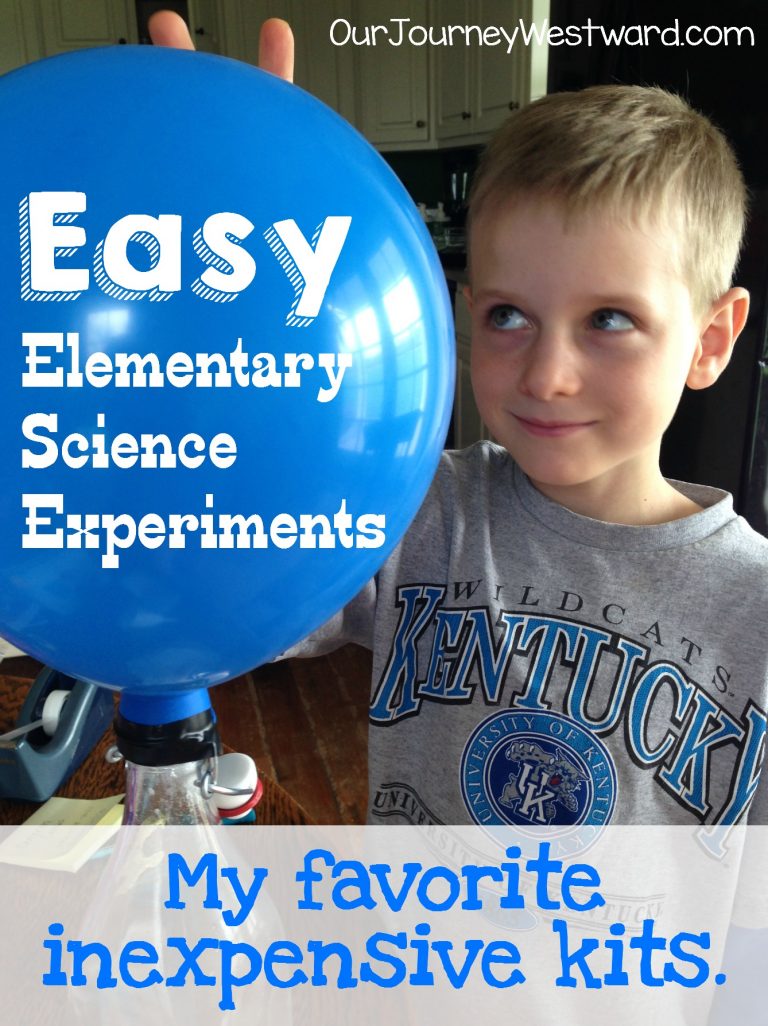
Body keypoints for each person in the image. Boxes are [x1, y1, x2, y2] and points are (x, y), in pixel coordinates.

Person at [151, 12, 768, 834]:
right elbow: (242, 591)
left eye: (610, 320)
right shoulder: (419, 510)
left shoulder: (752, 607)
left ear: (710, 340)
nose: (547, 375)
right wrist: (232, 279)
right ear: (465, 313)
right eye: (510, 315)